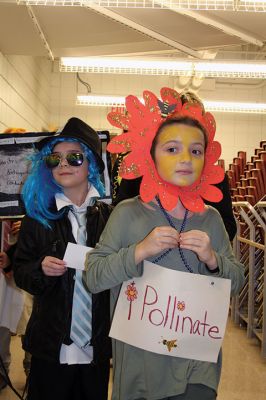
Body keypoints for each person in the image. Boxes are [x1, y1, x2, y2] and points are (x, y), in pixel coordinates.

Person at [86, 89, 245, 400]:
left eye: (196, 151)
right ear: (151, 155)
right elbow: (93, 276)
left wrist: (214, 259)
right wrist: (139, 251)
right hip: (140, 368)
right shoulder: (127, 213)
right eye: (172, 149)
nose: (186, 159)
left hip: (196, 367)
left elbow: (236, 281)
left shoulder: (211, 218)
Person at [13, 117, 112, 400]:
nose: (64, 164)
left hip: (96, 348)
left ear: (92, 163)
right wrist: (40, 269)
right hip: (51, 346)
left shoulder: (111, 218)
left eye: (74, 157)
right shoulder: (37, 217)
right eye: (55, 159)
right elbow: (21, 270)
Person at [111, 90, 237, 241]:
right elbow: (120, 218)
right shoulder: (141, 169)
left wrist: (201, 241)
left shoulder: (214, 178)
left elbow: (228, 227)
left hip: (197, 260)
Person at [0, 220, 32, 392]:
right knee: (3, 319)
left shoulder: (30, 198)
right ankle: (2, 370)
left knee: (28, 318)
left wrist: (28, 222)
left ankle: (32, 370)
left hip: (25, 264)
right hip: (5, 266)